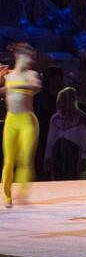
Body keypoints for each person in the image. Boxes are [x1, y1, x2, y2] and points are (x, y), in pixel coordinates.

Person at [0, 44, 41, 208]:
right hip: (11, 121)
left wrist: (13, 85)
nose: (28, 59)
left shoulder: (31, 75)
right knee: (9, 160)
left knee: (24, 158)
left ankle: (22, 193)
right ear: (18, 56)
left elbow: (35, 86)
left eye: (29, 56)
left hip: (27, 121)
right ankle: (7, 196)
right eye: (24, 55)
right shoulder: (8, 76)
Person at [44, 87, 86, 181]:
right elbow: (51, 140)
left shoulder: (82, 118)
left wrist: (83, 159)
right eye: (61, 100)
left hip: (75, 156)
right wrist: (48, 157)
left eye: (65, 99)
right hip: (58, 157)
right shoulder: (55, 118)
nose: (62, 103)